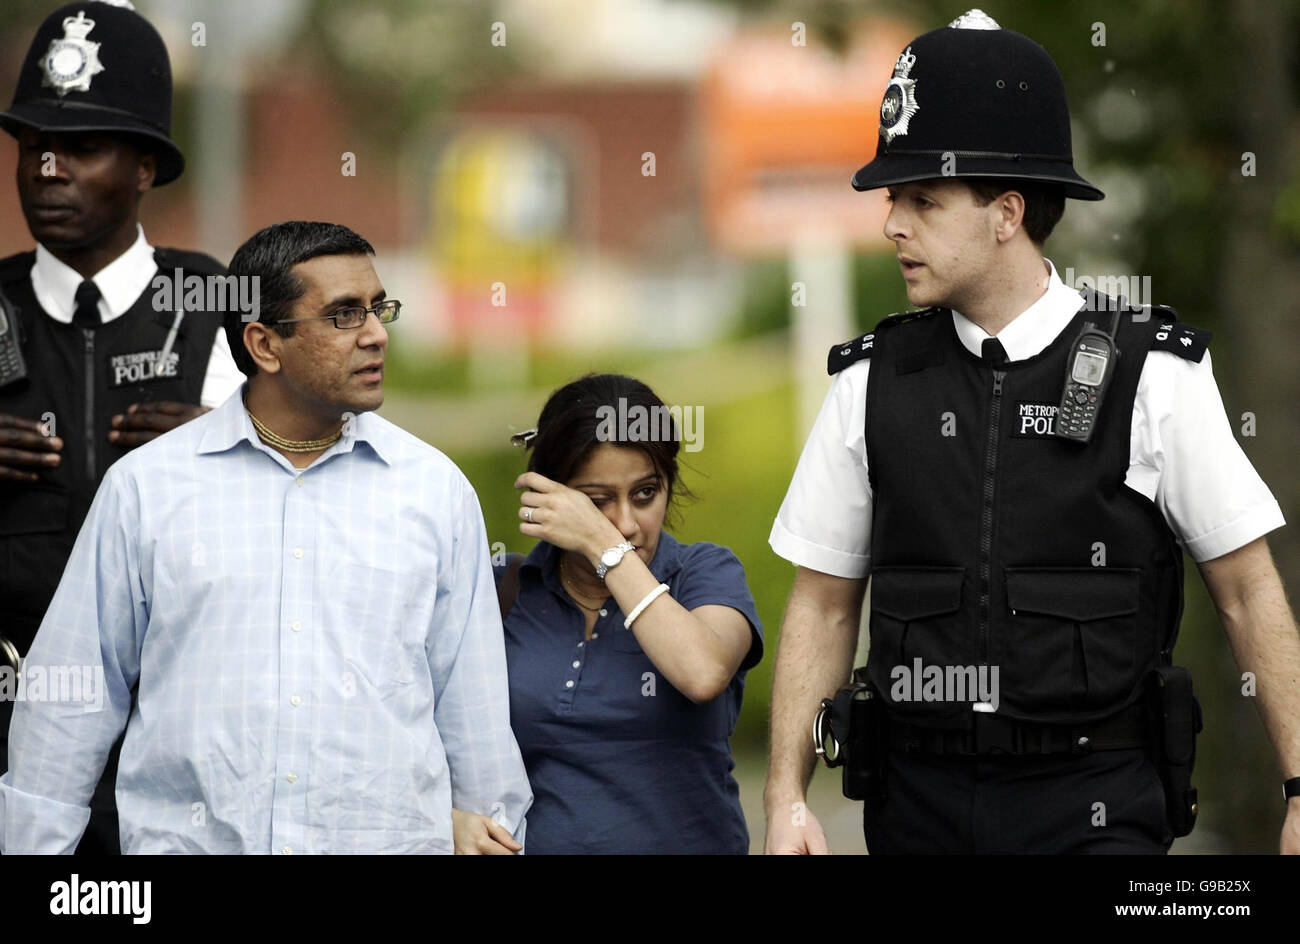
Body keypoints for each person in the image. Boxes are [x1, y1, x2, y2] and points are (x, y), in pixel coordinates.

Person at [763, 10, 1299, 854]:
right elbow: (824, 605)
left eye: (922, 200)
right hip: (918, 811)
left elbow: (1248, 590)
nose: (891, 223)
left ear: (1006, 211)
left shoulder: (1152, 373)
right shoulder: (868, 384)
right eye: (892, 199)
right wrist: (786, 800)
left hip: (1099, 808)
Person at [0, 221, 532, 854]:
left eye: (378, 308)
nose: (377, 334)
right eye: (343, 315)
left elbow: (473, 710)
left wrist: (494, 825)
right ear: (264, 344)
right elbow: (69, 702)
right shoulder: (147, 489)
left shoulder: (434, 492)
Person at [0, 2, 244, 852]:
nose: (47, 169)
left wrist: (227, 446)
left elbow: (325, 481)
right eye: (32, 147)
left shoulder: (218, 300)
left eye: (81, 147)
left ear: (145, 167)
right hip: (12, 723)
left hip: (184, 734)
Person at [454, 374, 762, 854]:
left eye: (645, 494)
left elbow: (703, 672)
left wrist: (604, 548)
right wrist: (447, 819)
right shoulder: (502, 589)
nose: (625, 524)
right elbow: (406, 720)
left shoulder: (703, 573)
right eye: (597, 502)